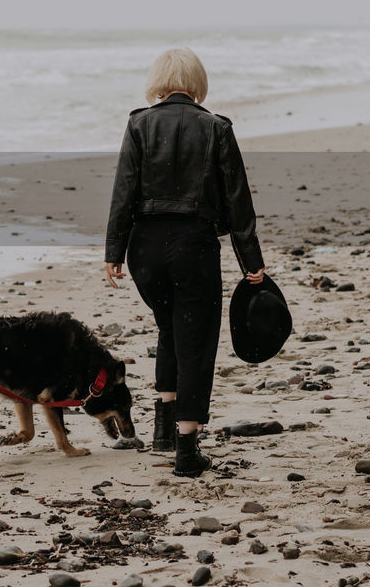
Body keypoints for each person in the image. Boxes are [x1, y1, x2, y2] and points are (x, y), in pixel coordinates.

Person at [103, 47, 266, 478]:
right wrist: (252, 260)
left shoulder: (138, 124)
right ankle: (187, 449)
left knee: (168, 327)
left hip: (145, 248)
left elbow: (124, 191)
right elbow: (238, 201)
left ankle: (162, 427)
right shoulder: (216, 128)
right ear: (197, 82)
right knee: (195, 340)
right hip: (193, 244)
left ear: (157, 80)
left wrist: (113, 253)